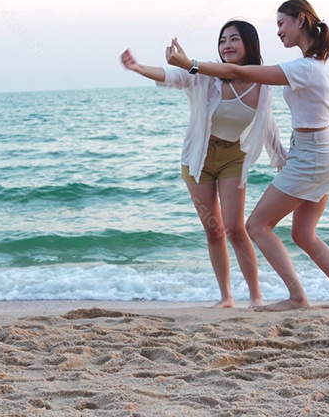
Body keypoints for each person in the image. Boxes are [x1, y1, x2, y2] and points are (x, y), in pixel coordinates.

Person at [165, 0, 329, 311]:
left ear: (300, 21)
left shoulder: (303, 68)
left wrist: (189, 63)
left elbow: (234, 70)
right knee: (304, 234)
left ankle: (297, 298)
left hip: (311, 155)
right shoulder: (327, 61)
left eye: (282, 24)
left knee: (257, 225)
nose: (279, 32)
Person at [121, 20, 286, 308]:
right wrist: (138, 68)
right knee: (214, 229)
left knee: (236, 228)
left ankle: (256, 296)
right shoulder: (205, 76)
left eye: (234, 39)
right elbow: (174, 75)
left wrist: (284, 162)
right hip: (197, 158)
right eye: (223, 40)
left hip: (233, 157)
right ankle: (226, 297)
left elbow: (268, 126)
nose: (227, 45)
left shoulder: (262, 86)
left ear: (250, 44)